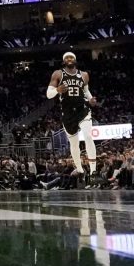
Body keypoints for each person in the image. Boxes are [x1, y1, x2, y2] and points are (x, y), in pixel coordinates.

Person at [46, 52, 98, 184]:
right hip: (68, 113)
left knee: (88, 136)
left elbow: (86, 91)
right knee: (74, 144)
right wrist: (57, 90)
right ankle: (80, 170)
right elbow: (48, 94)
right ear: (64, 61)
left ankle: (93, 172)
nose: (69, 59)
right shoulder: (58, 74)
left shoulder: (84, 75)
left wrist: (91, 99)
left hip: (83, 110)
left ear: (75, 60)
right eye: (67, 58)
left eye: (72, 57)